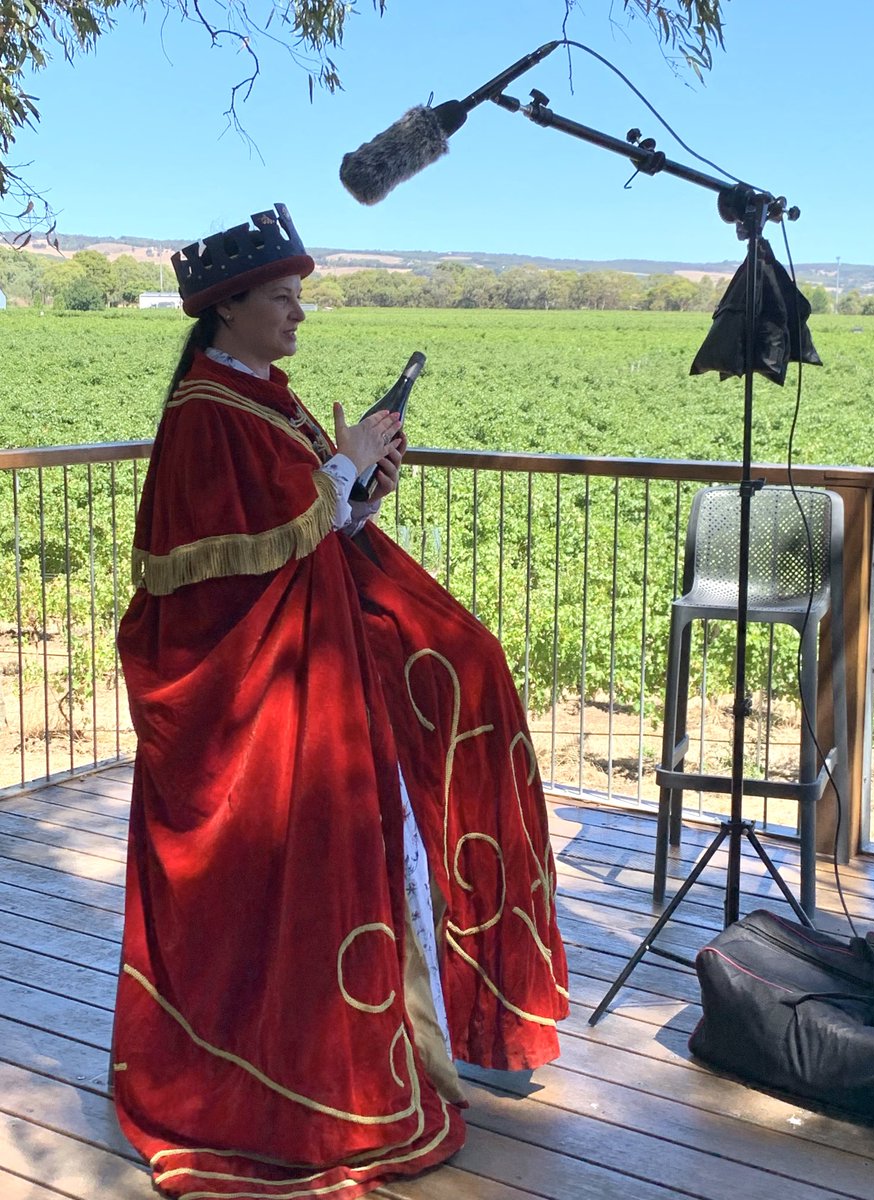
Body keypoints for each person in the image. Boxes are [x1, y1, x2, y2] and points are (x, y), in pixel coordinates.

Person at [112, 203, 568, 1200]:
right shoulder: (206, 414)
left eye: (298, 298)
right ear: (226, 308)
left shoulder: (264, 397)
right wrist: (346, 465)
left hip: (319, 653)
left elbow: (309, 519)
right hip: (261, 699)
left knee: (467, 662)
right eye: (282, 300)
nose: (297, 317)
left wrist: (362, 484)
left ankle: (433, 1022)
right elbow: (220, 571)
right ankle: (301, 1083)